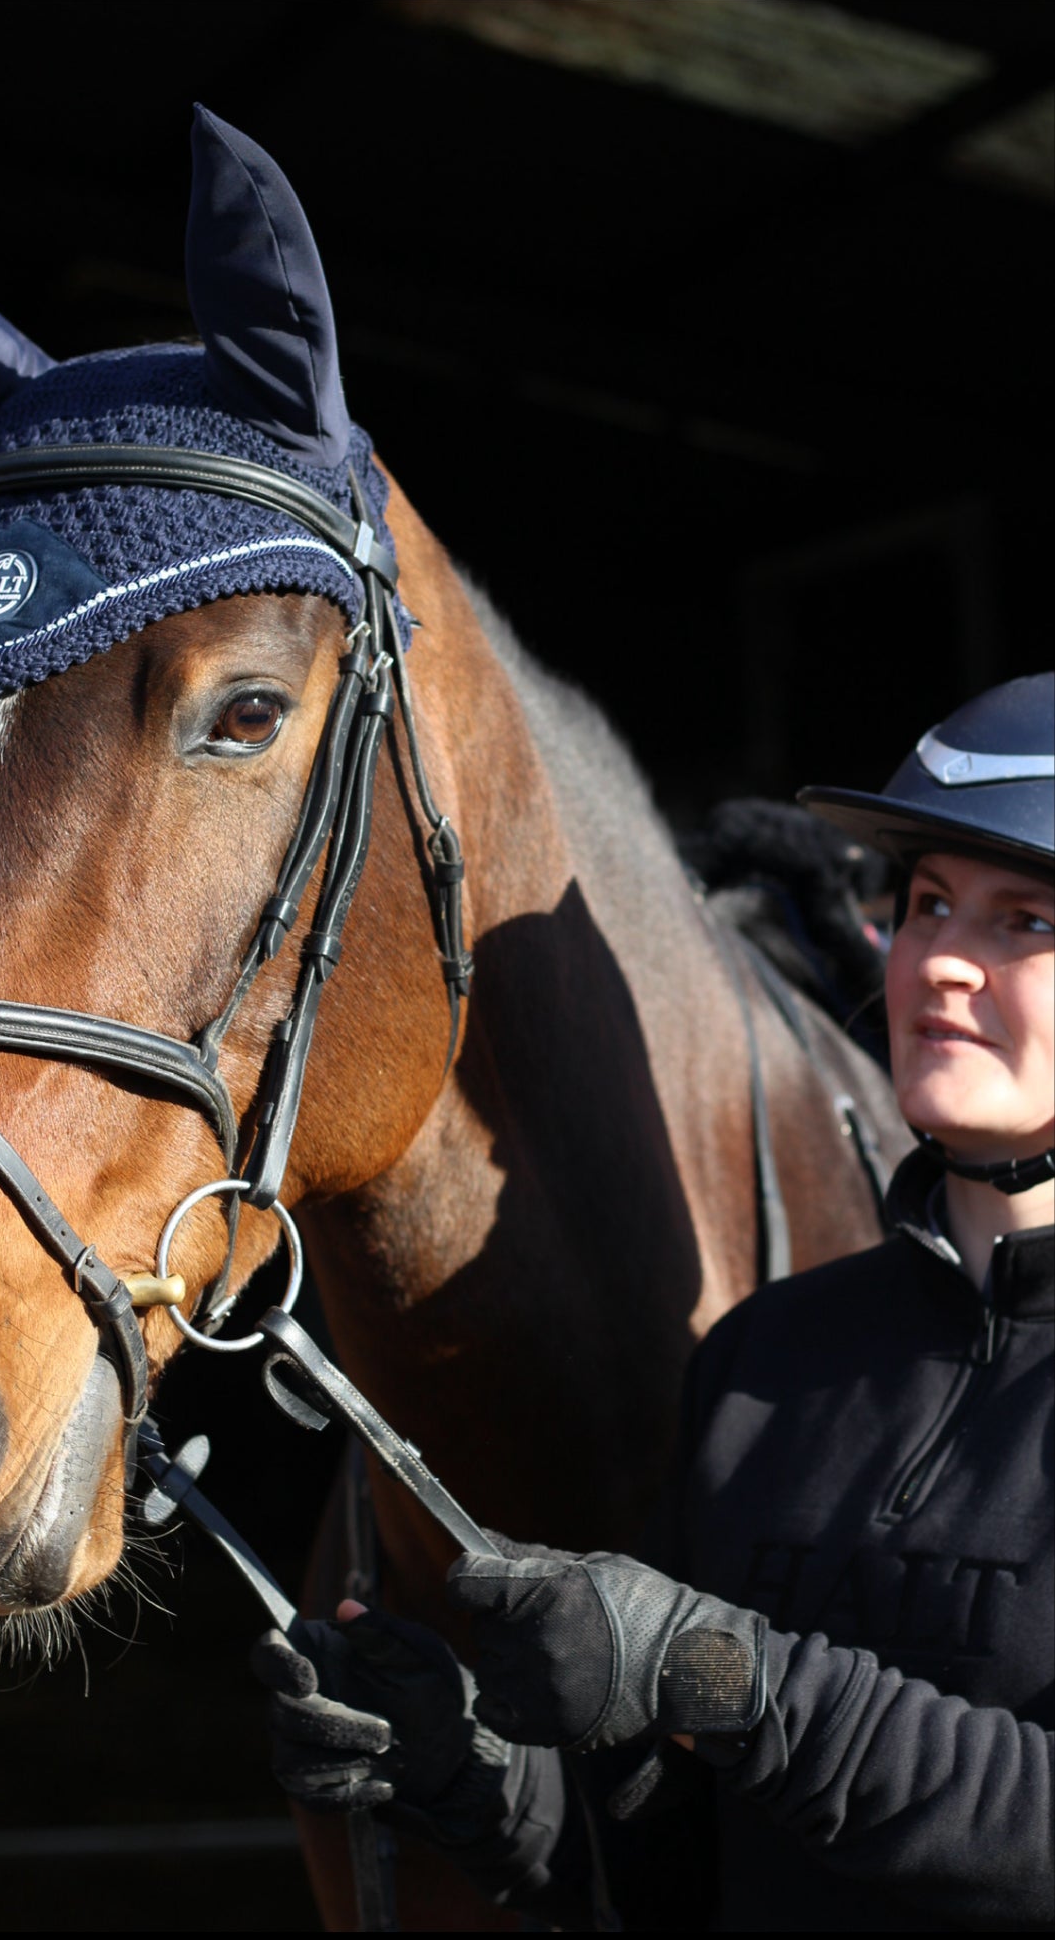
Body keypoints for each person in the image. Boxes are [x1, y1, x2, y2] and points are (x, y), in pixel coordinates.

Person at [252, 672, 1054, 1932]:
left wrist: (721, 1671)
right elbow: (676, 1880)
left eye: (1025, 922)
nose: (943, 958)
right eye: (931, 904)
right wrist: (475, 1782)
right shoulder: (762, 1362)